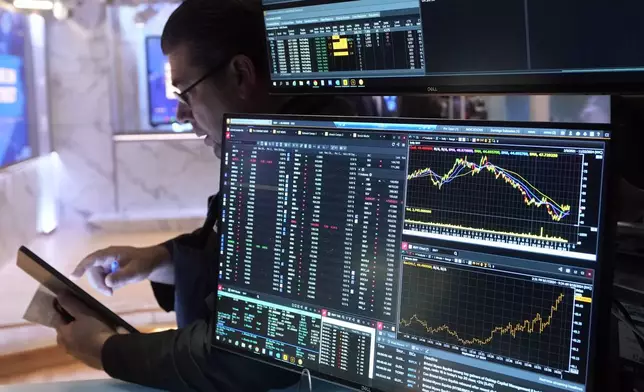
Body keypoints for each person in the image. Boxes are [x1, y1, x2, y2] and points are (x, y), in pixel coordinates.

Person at [54, 0, 357, 391]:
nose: (181, 113)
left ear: (241, 74)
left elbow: (246, 354)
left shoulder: (306, 162)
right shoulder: (269, 144)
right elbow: (244, 259)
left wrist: (105, 349)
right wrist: (160, 261)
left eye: (187, 92)